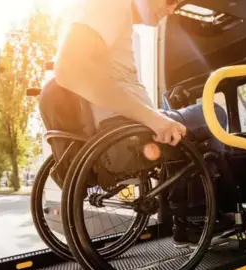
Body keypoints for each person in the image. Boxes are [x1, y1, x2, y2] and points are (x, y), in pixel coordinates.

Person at [51, 0, 232, 247]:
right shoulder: (111, 7)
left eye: (176, 5)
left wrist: (156, 114)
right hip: (127, 128)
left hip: (125, 124)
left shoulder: (111, 16)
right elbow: (70, 68)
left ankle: (182, 215)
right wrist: (153, 118)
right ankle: (204, 212)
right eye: (170, 1)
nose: (171, 9)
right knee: (215, 113)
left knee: (177, 122)